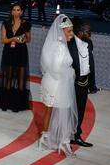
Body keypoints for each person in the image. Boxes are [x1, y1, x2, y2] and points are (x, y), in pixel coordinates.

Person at [39, 14, 78, 157]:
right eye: (69, 31)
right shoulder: (60, 48)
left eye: (72, 31)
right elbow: (56, 69)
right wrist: (71, 71)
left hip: (50, 81)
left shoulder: (55, 44)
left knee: (49, 111)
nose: (72, 34)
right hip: (58, 83)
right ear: (61, 31)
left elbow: (50, 66)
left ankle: (45, 138)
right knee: (64, 112)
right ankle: (64, 141)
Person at [0, 3, 32, 112]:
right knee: (8, 76)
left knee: (21, 78)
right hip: (9, 52)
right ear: (11, 11)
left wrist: (24, 38)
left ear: (21, 12)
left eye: (18, 10)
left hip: (21, 52)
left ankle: (17, 104)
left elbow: (29, 39)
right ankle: (5, 103)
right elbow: (3, 40)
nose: (16, 12)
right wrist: (14, 39)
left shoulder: (26, 24)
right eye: (14, 10)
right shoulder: (5, 23)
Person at [68, 17, 98, 148]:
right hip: (71, 83)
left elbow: (91, 64)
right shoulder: (69, 43)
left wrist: (92, 84)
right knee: (68, 110)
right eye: (88, 32)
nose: (90, 34)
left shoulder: (89, 43)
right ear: (80, 32)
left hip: (84, 82)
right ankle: (64, 136)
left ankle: (76, 136)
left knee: (80, 110)